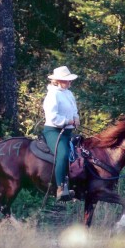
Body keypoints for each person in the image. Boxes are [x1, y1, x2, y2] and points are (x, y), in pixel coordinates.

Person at [43, 66, 80, 201]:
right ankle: (60, 188)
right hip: (53, 131)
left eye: (69, 80)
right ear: (58, 81)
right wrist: (68, 121)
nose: (69, 83)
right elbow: (53, 117)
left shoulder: (69, 93)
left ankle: (76, 186)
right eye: (66, 81)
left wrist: (76, 119)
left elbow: (74, 110)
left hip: (68, 131)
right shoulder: (52, 95)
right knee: (63, 154)